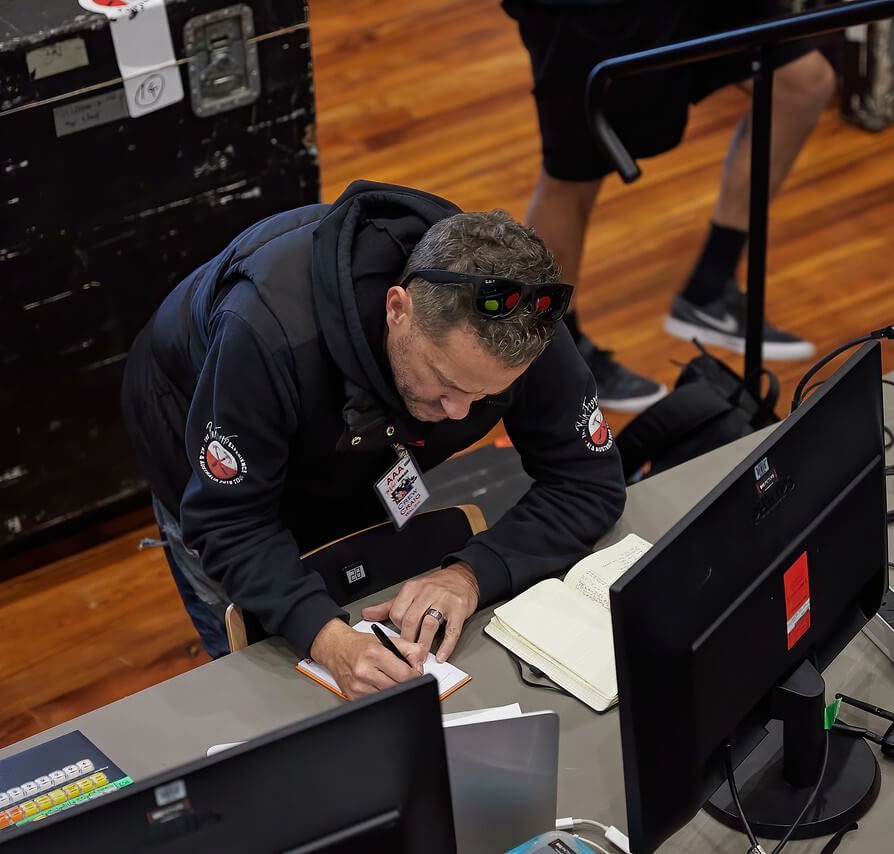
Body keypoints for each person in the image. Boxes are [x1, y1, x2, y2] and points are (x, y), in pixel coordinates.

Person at [121, 180, 626, 698]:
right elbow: (229, 522)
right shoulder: (266, 331)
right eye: (446, 382)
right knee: (264, 684)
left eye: (487, 395)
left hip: (366, 447)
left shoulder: (519, 325)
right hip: (206, 431)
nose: (458, 413)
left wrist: (470, 576)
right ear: (397, 308)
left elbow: (589, 483)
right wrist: (325, 636)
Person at [504, 0, 837, 399]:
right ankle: (556, 353)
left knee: (801, 81)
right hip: (590, 13)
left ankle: (710, 287)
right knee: (574, 172)